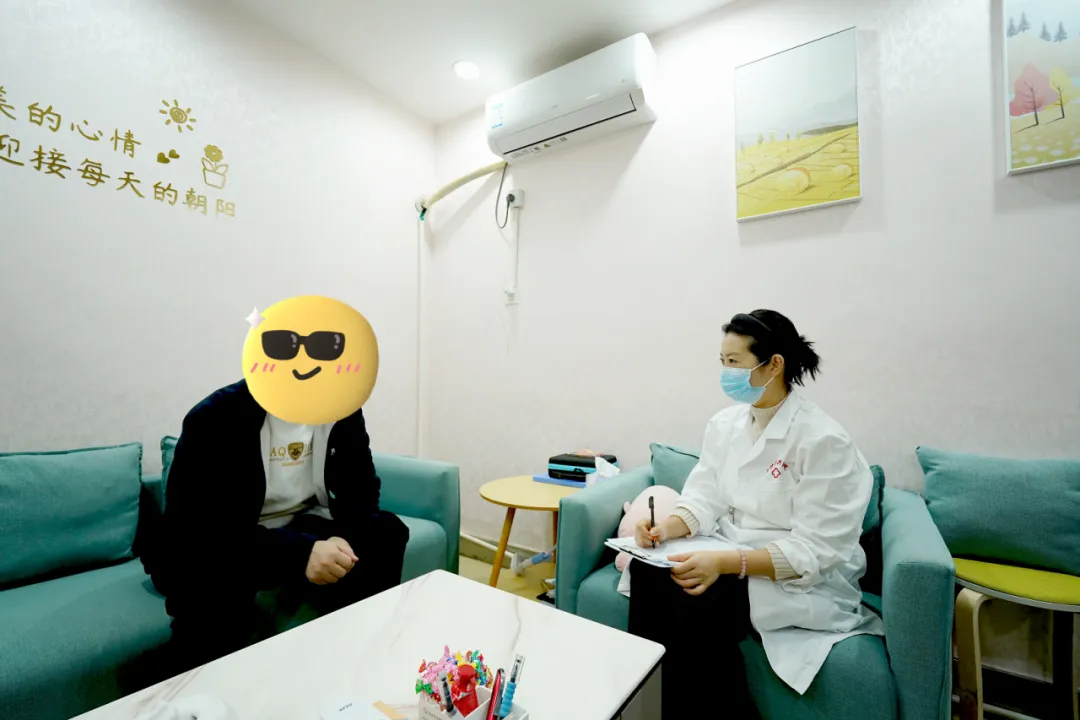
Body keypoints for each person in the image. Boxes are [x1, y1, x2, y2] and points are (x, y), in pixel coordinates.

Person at [628, 310, 883, 718]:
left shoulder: (823, 440)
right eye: (722, 361)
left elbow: (816, 550)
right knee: (646, 569)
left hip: (797, 578)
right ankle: (647, 707)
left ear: (774, 364)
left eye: (735, 362)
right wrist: (666, 528)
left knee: (697, 597)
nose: (725, 372)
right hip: (728, 551)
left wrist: (728, 564)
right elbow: (705, 495)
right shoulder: (725, 424)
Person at [141, 378, 409, 676]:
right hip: (223, 537)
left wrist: (342, 538)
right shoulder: (215, 415)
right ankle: (197, 687)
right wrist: (302, 553)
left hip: (299, 521)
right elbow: (201, 531)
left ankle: (357, 657)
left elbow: (363, 491)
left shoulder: (341, 404)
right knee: (218, 589)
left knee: (387, 533)